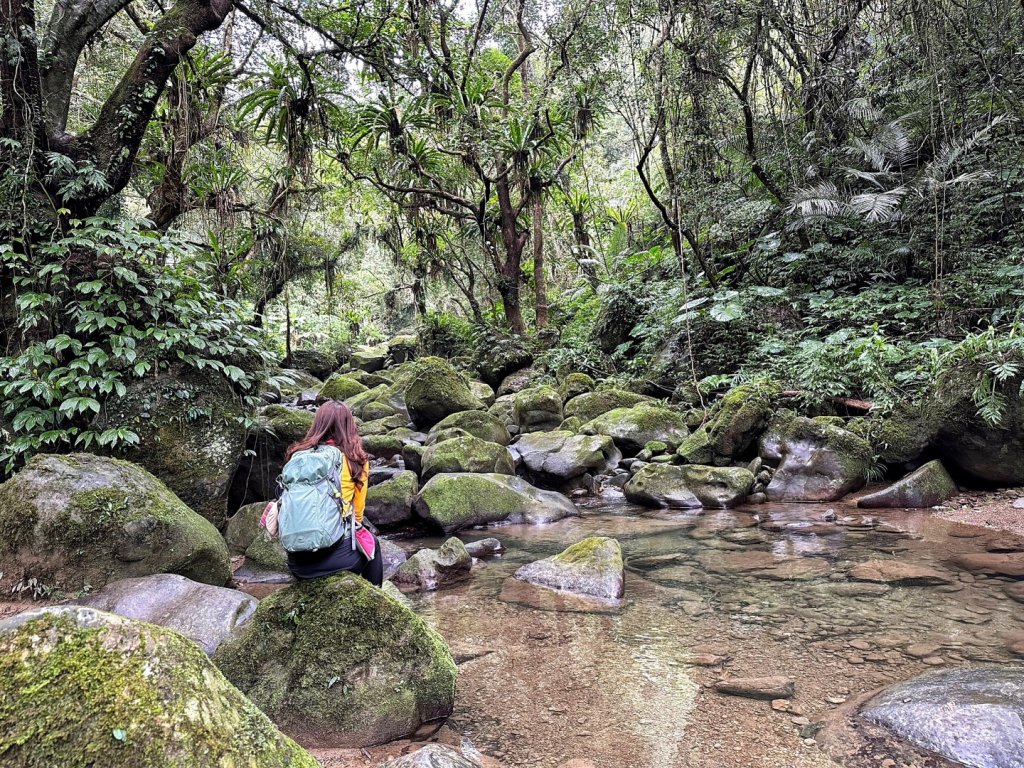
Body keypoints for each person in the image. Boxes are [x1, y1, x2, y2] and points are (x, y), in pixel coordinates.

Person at [275, 400, 383, 586]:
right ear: (349, 426)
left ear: (318, 424)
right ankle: (375, 600)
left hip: (297, 564)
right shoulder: (355, 459)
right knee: (373, 544)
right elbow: (357, 517)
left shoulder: (297, 456)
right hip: (338, 561)